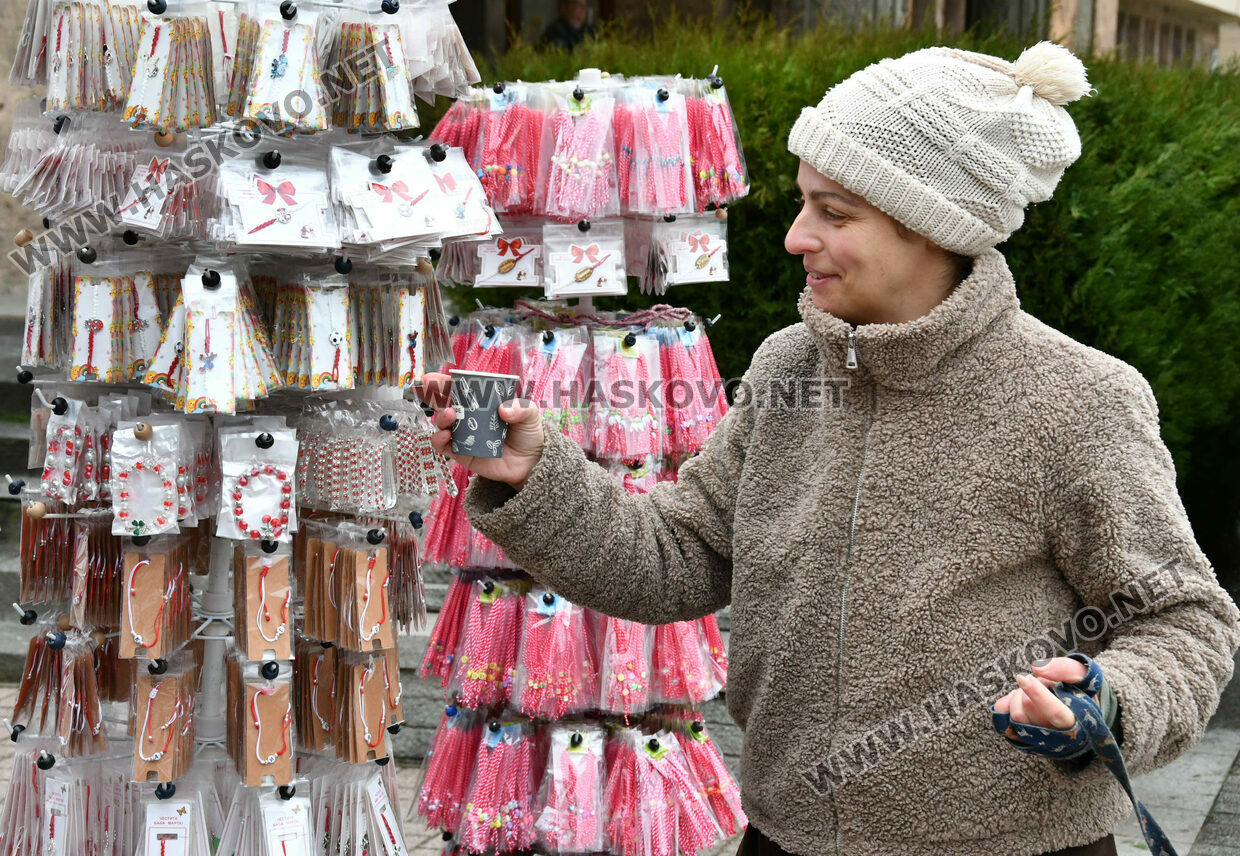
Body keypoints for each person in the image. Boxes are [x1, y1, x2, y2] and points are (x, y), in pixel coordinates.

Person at [418, 42, 1240, 856]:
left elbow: (1183, 618)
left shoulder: (1078, 399)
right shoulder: (789, 368)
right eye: (803, 204)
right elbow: (677, 554)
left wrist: (1109, 701)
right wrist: (535, 471)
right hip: (787, 838)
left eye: (834, 213)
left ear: (931, 225)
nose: (795, 237)